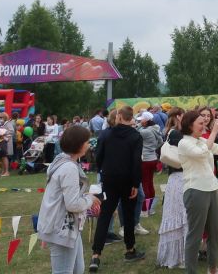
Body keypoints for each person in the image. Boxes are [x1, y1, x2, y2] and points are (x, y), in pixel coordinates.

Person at [38, 125, 101, 274]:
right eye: (86, 141)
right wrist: (90, 199)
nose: (89, 144)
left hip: (67, 227)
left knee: (77, 270)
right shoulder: (69, 168)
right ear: (79, 144)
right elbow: (72, 204)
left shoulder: (63, 162)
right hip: (61, 228)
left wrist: (85, 197)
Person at [89, 106, 145, 272]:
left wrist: (102, 170)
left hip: (109, 178)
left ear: (119, 116)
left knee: (105, 215)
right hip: (127, 180)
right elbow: (137, 162)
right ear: (131, 117)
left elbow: (98, 156)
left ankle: (96, 255)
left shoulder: (106, 134)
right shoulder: (136, 136)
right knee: (127, 216)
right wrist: (136, 183)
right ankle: (129, 249)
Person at [177, 109, 218, 274]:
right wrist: (214, 131)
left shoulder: (201, 140)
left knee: (214, 232)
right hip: (195, 191)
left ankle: (213, 269)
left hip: (210, 188)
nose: (204, 125)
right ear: (189, 125)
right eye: (200, 123)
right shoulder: (184, 142)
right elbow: (202, 154)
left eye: (205, 123)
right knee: (195, 235)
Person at [157, 108, 188, 269]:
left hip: (177, 179)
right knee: (181, 219)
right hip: (179, 179)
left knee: (178, 217)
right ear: (178, 117)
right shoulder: (176, 134)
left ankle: (180, 255)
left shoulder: (172, 132)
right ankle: (179, 257)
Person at [136, 111, 162, 216]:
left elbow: (135, 131)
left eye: (141, 120)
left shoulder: (144, 131)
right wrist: (152, 149)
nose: (140, 121)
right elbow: (160, 141)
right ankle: (150, 208)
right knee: (150, 183)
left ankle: (144, 210)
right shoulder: (156, 129)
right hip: (153, 158)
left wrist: (138, 125)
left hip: (145, 159)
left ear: (146, 121)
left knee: (145, 184)